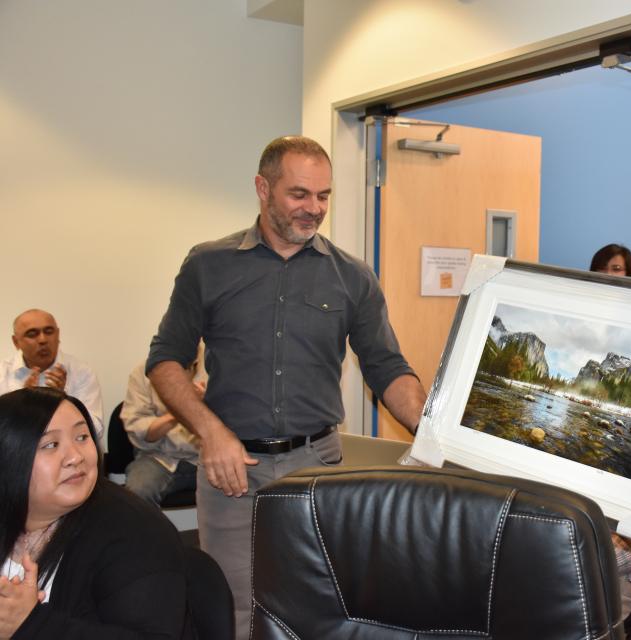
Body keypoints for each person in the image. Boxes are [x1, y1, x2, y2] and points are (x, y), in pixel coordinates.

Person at [147, 135, 426, 637]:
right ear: (262, 187)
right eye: (299, 194)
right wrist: (210, 433)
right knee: (234, 611)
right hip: (232, 470)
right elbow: (165, 361)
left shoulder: (353, 277)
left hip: (315, 468)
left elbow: (387, 368)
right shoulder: (208, 265)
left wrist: (435, 433)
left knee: (317, 607)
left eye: (323, 196)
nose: (313, 209)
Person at [0, 387, 190, 639]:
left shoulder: (135, 532)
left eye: (82, 437)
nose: (75, 457)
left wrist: (31, 624)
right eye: (51, 444)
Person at [121, 346, 205, 507]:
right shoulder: (144, 373)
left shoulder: (215, 369)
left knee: (247, 483)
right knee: (137, 496)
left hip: (206, 457)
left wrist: (207, 406)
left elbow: (233, 424)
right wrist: (182, 408)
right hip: (158, 457)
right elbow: (139, 430)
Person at [0, 310, 103, 440]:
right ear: (16, 342)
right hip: (19, 454)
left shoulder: (82, 372)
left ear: (58, 334)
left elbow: (96, 430)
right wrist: (23, 403)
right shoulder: (2, 374)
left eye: (49, 332)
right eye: (32, 334)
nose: (43, 340)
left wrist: (62, 401)